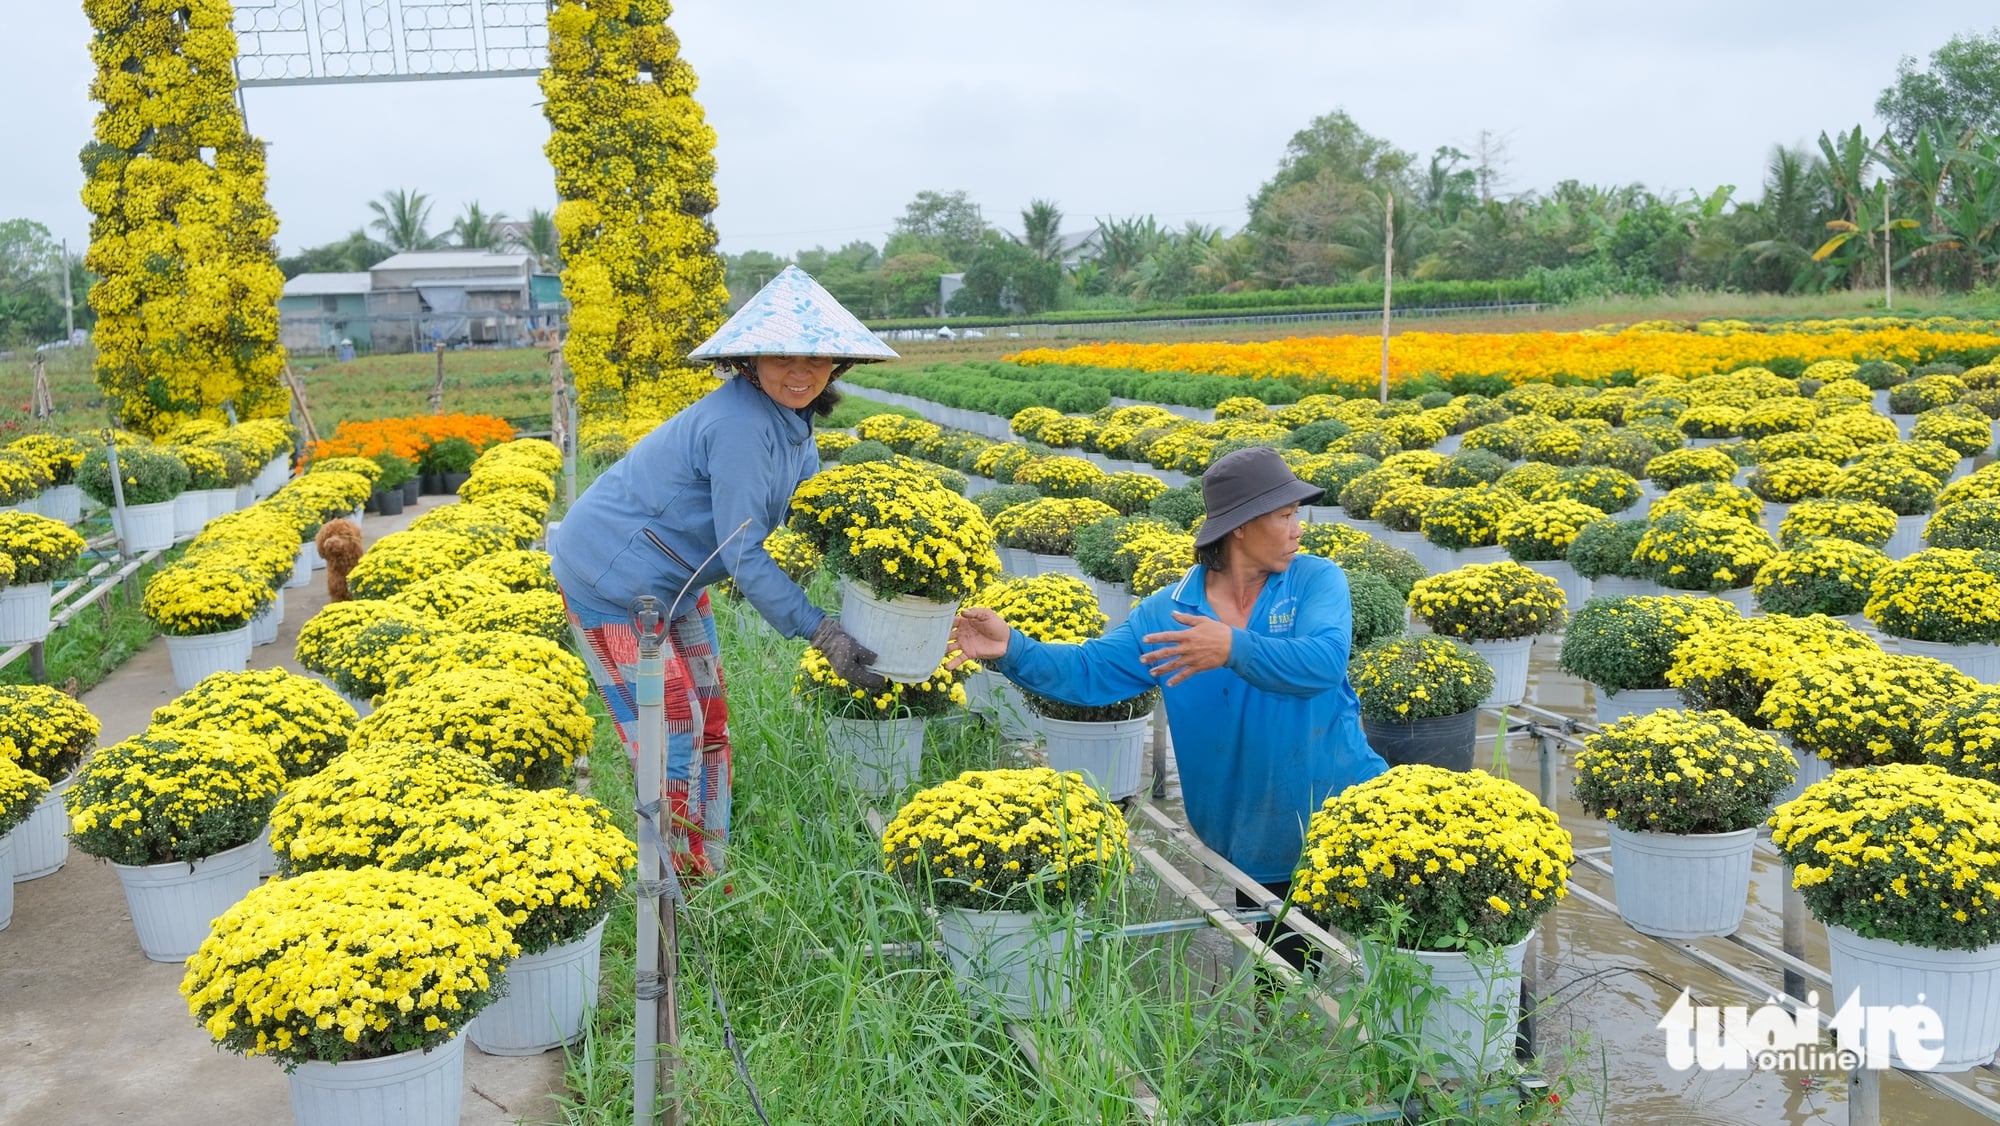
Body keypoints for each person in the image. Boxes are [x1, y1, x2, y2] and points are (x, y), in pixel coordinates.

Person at [951, 446, 1387, 969]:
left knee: (1415, 949)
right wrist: (1013, 648)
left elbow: (1323, 662)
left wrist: (1231, 647)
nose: (1298, 529)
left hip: (1348, 806)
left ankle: (1508, 1037)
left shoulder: (1315, 579)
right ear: (1242, 526)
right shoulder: (1171, 610)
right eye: (1285, 515)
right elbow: (1092, 672)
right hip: (1255, 832)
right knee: (1288, 979)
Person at [549, 266, 898, 876]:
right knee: (673, 730)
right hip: (611, 579)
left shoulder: (794, 424)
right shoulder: (739, 424)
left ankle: (711, 864)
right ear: (750, 361)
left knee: (710, 718)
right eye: (781, 356)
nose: (799, 372)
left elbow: (809, 510)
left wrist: (882, 563)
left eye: (816, 359)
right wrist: (821, 629)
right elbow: (743, 552)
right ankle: (672, 888)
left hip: (677, 582)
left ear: (838, 366)